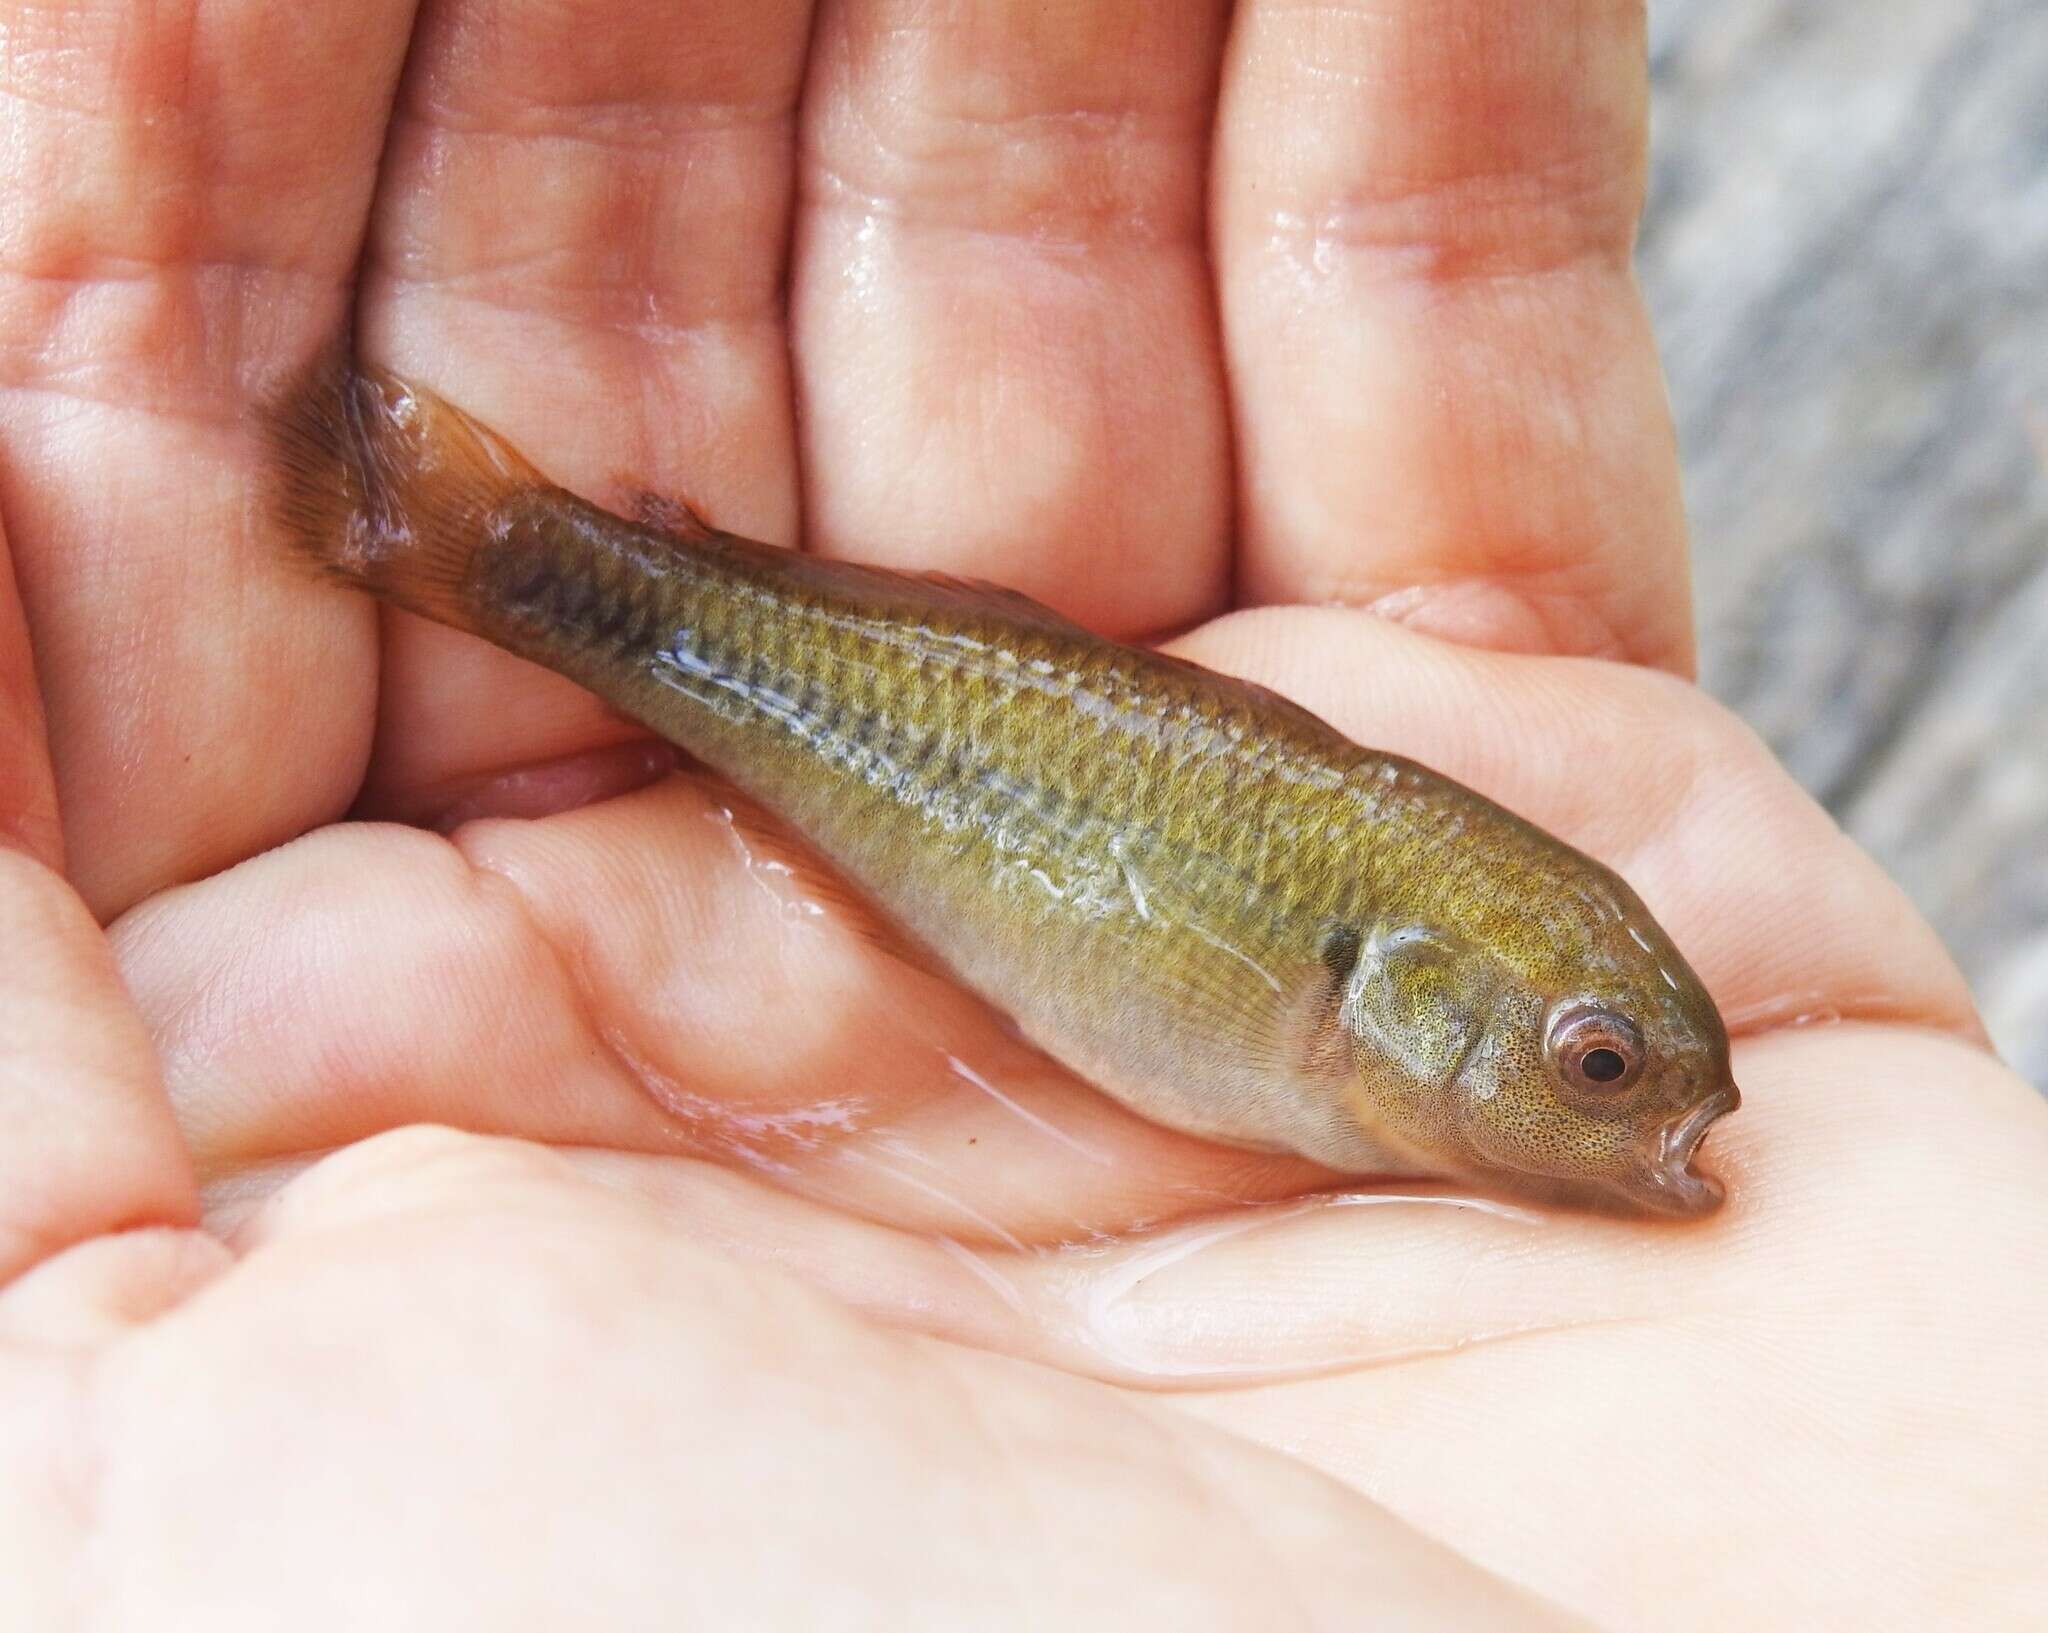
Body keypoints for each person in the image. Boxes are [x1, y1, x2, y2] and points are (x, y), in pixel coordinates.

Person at [0, 2, 2041, 1626]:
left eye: (1603, 1067)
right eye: (1590, 1064)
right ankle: (507, 553)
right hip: (871, 700)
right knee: (609, 597)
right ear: (1403, 997)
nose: (1636, 1105)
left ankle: (523, 555)